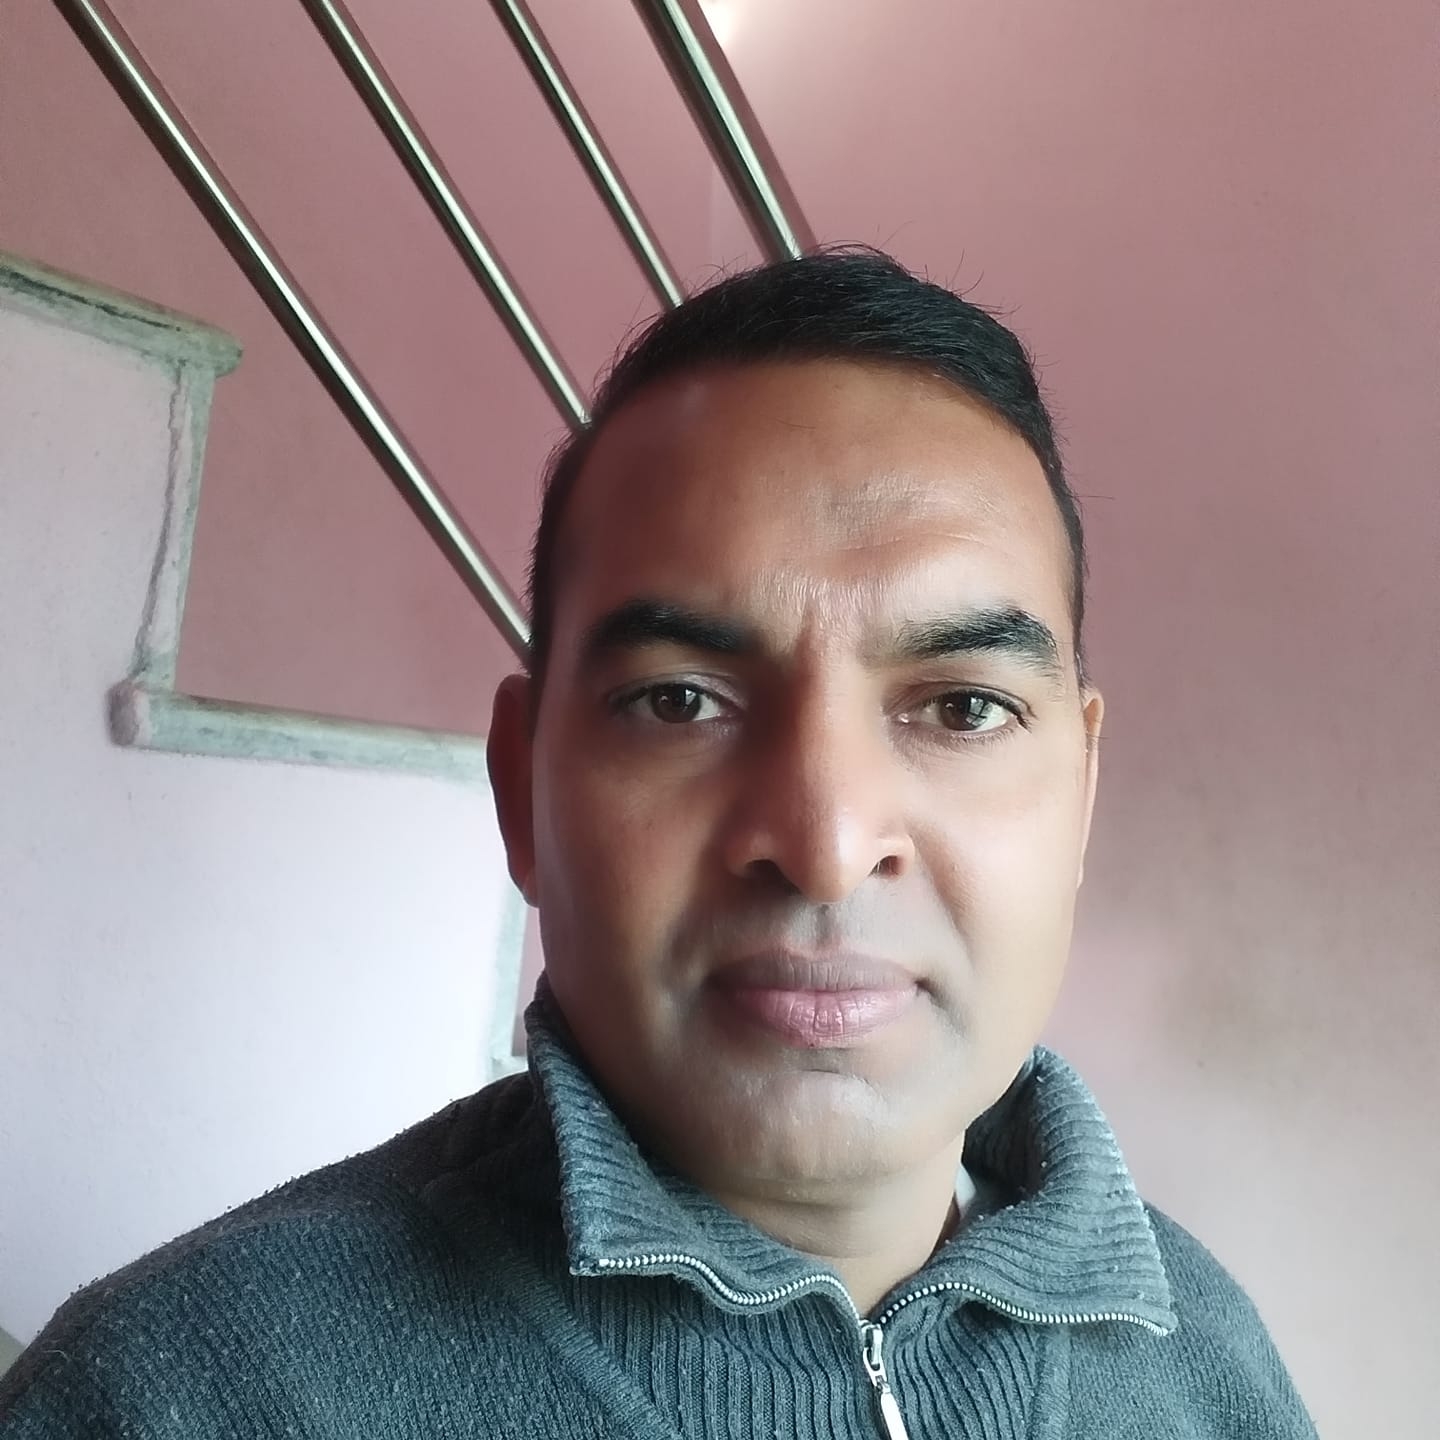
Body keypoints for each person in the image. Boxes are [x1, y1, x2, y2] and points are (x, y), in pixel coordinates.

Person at [0, 248, 1317, 1438]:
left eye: (963, 707)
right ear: (521, 789)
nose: (825, 843)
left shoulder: (1211, 1367)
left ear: (1081, 796)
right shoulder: (178, 1398)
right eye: (680, 701)